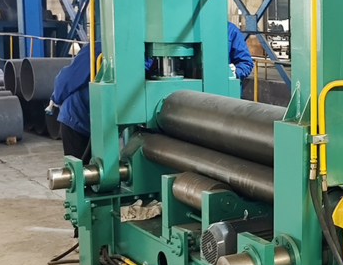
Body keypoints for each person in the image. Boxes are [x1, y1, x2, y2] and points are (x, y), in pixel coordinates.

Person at [50, 22, 255, 161]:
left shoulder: (226, 30)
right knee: (82, 171)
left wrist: (234, 71)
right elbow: (68, 78)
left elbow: (245, 63)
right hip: (79, 118)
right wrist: (55, 100)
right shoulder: (102, 49)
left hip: (108, 119)